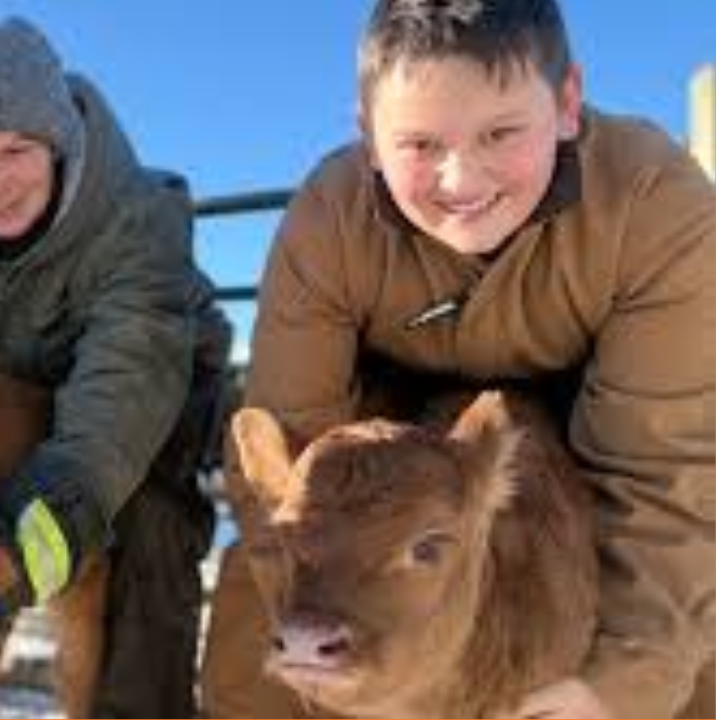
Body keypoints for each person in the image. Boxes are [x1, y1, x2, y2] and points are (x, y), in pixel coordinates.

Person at [207, 0, 714, 717]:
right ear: (368, 134)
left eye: (501, 133)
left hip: (594, 424)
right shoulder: (330, 219)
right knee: (248, 635)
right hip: (385, 445)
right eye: (419, 144)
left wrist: (626, 680)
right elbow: (286, 464)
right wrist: (320, 646)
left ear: (567, 103)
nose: (460, 180)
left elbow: (665, 471)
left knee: (690, 644)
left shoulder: (654, 203)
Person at [0, 17, 231, 717]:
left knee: (143, 541)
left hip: (145, 412)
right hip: (9, 404)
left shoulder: (137, 222)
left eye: (17, 150)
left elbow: (111, 419)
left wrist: (9, 563)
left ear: (58, 143)